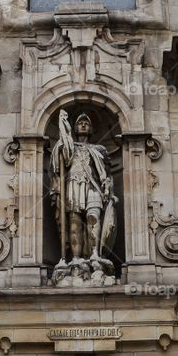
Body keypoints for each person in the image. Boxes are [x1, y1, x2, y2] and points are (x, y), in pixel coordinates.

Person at [50, 110, 117, 270]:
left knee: (93, 217)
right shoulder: (68, 147)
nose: (83, 125)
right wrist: (63, 135)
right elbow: (57, 165)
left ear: (92, 129)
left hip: (94, 186)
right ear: (74, 128)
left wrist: (108, 185)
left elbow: (107, 172)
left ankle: (95, 254)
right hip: (72, 185)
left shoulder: (99, 149)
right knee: (74, 223)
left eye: (87, 123)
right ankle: (76, 258)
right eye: (80, 123)